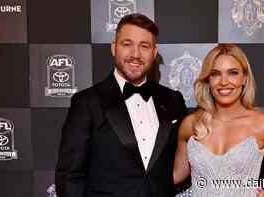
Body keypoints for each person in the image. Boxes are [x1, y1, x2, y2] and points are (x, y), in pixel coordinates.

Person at [55, 13, 187, 197]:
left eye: (144, 46)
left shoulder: (173, 100)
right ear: (114, 48)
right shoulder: (86, 102)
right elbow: (70, 176)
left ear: (154, 53)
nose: (135, 54)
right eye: (127, 44)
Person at [173, 44, 264, 197]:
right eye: (215, 74)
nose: (224, 82)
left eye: (233, 73)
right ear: (208, 80)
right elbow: (178, 173)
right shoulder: (191, 124)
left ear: (244, 78)